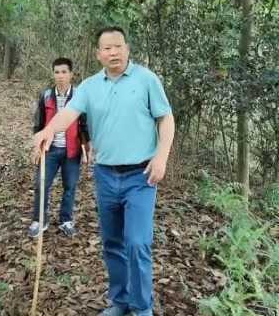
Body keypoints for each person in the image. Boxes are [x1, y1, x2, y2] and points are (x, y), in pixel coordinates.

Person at [33, 27, 175, 316]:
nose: (114, 52)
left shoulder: (146, 79)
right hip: (106, 175)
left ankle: (142, 308)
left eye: (118, 46)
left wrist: (161, 157)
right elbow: (69, 114)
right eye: (107, 48)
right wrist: (48, 130)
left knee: (137, 243)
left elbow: (166, 118)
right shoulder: (89, 86)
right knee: (112, 243)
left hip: (141, 176)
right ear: (99, 54)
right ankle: (120, 302)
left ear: (127, 49)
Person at [29, 57, 91, 238]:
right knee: (42, 184)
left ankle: (66, 220)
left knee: (70, 186)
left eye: (64, 72)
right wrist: (37, 146)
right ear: (53, 74)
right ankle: (40, 220)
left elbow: (84, 126)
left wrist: (86, 148)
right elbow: (38, 125)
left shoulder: (80, 96)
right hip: (49, 149)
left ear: (71, 74)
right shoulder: (46, 96)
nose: (60, 76)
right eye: (57, 72)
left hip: (72, 151)